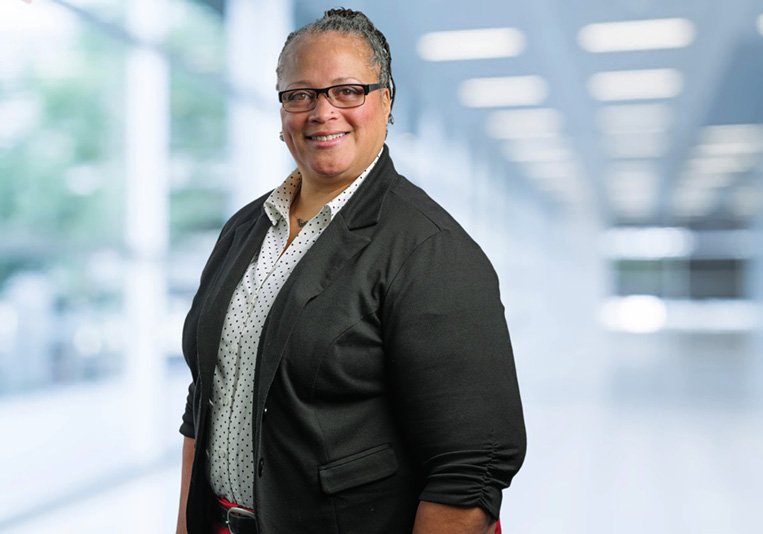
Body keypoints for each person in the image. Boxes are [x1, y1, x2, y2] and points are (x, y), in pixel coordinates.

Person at [176, 8, 526, 534]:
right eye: (300, 95)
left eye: (347, 91)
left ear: (386, 101)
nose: (322, 112)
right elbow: (206, 396)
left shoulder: (431, 250)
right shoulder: (244, 230)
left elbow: (471, 468)